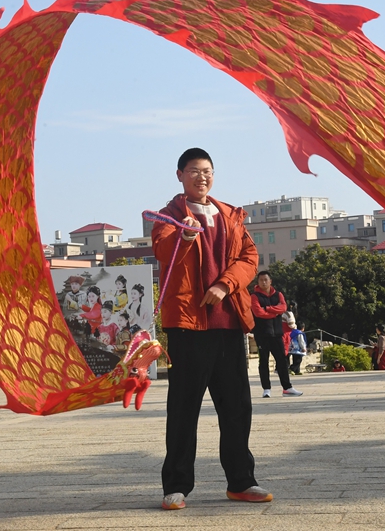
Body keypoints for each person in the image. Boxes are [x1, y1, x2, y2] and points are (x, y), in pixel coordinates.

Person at [152, 147, 272, 511]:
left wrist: (224, 284)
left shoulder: (232, 216)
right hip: (188, 326)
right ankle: (176, 486)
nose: (201, 177)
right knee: (184, 408)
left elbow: (249, 259)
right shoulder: (168, 217)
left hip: (229, 322)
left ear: (213, 175)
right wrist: (183, 238)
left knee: (236, 407)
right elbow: (162, 250)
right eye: (193, 171)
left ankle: (241, 481)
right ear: (179, 175)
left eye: (206, 171)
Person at [251, 271, 303, 398]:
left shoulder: (278, 295)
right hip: (262, 334)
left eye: (265, 279)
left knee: (282, 361)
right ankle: (266, 388)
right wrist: (275, 311)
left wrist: (268, 309)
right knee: (264, 362)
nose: (263, 282)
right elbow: (258, 313)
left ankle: (287, 387)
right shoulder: (254, 296)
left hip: (277, 333)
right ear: (258, 282)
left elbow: (283, 308)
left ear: (270, 281)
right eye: (261, 280)